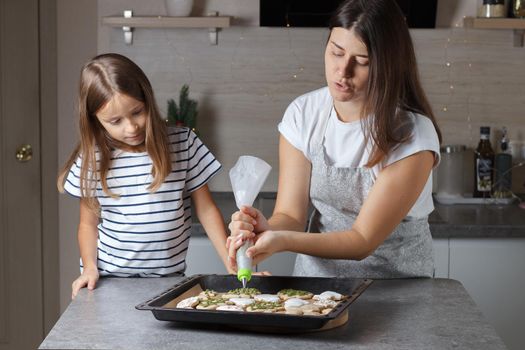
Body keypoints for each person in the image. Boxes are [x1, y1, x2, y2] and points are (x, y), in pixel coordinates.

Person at [227, 0, 442, 279]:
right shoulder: (304, 114)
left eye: (361, 61)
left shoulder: (412, 134)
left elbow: (362, 240)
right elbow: (291, 216)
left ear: (388, 65)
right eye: (336, 52)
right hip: (316, 288)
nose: (343, 71)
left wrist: (280, 241)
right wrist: (265, 228)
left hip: (397, 291)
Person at [58, 53, 232, 299]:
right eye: (115, 121)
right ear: (95, 120)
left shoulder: (183, 143)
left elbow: (206, 209)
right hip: (110, 280)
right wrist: (89, 267)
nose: (131, 127)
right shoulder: (92, 159)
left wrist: (230, 264)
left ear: (148, 99)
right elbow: (88, 224)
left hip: (169, 281)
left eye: (137, 112)